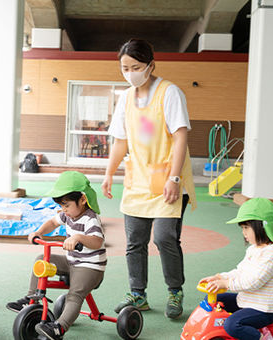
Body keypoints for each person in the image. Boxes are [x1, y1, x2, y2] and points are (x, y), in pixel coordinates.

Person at [102, 38, 197, 319]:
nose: (130, 73)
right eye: (125, 68)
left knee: (166, 238)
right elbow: (120, 140)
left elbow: (180, 136)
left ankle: (175, 291)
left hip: (167, 178)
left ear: (150, 65)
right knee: (135, 241)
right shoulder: (126, 98)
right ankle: (138, 294)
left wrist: (175, 178)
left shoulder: (170, 93)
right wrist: (109, 173)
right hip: (138, 179)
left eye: (135, 67)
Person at [6, 171, 106, 340]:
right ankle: (32, 299)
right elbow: (52, 222)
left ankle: (60, 327)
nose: (63, 210)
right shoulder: (67, 215)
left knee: (75, 294)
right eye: (61, 206)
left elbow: (97, 242)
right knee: (42, 260)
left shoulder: (91, 219)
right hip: (72, 262)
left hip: (91, 267)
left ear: (82, 200)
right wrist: (38, 232)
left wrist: (78, 237)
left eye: (66, 205)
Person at [199, 198, 273, 340]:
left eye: (246, 228)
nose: (244, 233)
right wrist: (220, 277)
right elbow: (240, 271)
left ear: (262, 226)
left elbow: (254, 282)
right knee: (213, 298)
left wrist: (227, 284)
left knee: (232, 324)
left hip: (263, 309)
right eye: (242, 228)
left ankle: (262, 338)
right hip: (246, 300)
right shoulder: (253, 249)